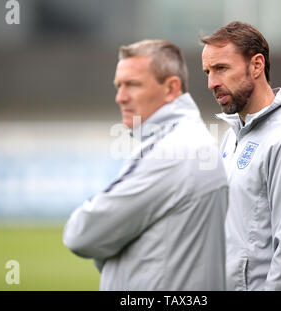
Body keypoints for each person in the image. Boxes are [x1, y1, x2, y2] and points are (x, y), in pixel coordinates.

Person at [63, 39, 228, 290]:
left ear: (171, 88)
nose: (120, 97)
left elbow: (81, 234)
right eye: (118, 86)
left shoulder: (172, 151)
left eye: (132, 85)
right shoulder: (186, 139)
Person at [201, 21, 281, 290]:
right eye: (208, 72)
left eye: (221, 68)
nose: (212, 82)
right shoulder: (231, 136)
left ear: (257, 65)